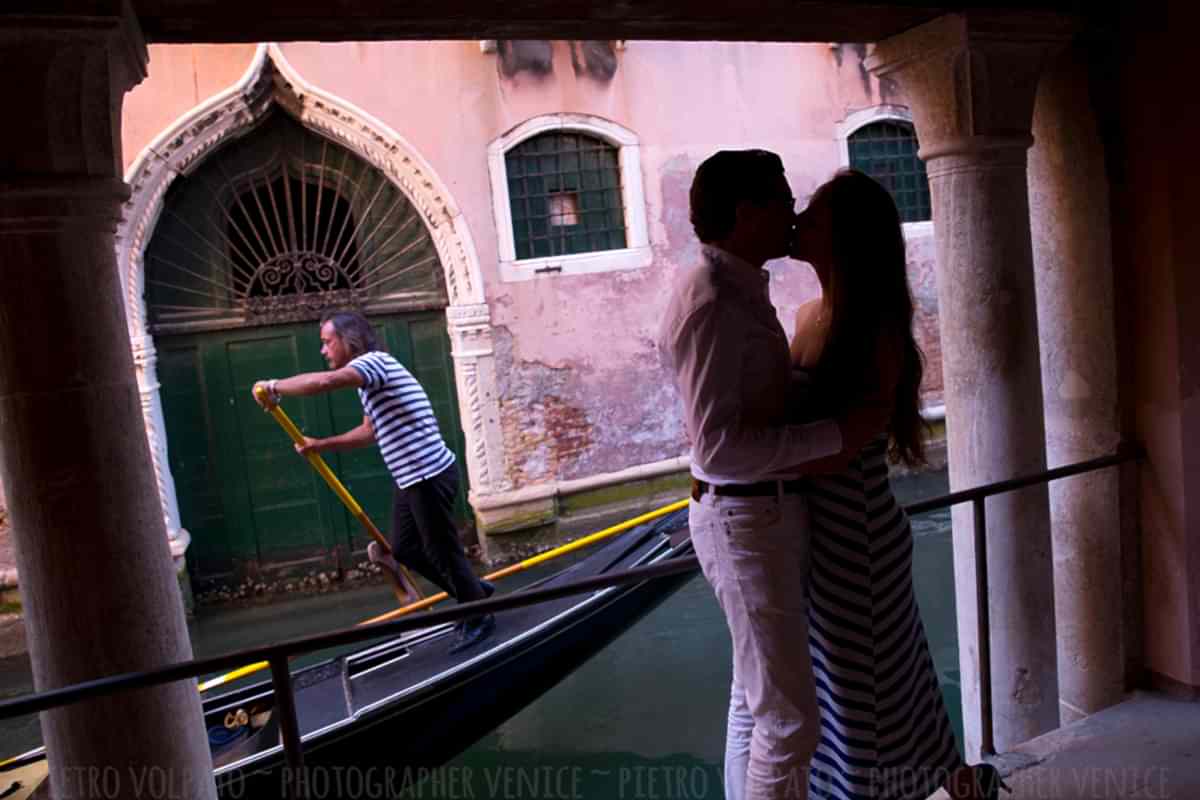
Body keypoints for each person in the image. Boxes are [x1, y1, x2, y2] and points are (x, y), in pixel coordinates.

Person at [657, 150, 881, 800]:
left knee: (751, 701)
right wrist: (839, 435)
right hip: (745, 516)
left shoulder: (731, 288)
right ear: (748, 212)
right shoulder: (715, 303)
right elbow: (721, 448)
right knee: (790, 722)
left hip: (754, 513)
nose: (793, 210)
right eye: (782, 198)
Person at [789, 169, 1008, 800]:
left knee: (869, 698)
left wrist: (749, 468)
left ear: (846, 234)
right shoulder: (806, 316)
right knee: (886, 682)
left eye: (817, 211)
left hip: (857, 537)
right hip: (826, 539)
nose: (801, 218)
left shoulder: (873, 332)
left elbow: (847, 444)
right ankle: (967, 786)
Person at [252, 311, 495, 654]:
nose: (324, 350)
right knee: (406, 548)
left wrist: (273, 386)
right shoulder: (370, 378)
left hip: (428, 473)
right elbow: (370, 431)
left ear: (348, 340)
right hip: (411, 477)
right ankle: (474, 594)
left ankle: (479, 616)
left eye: (326, 342)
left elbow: (323, 382)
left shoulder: (374, 363)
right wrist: (321, 444)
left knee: (443, 550)